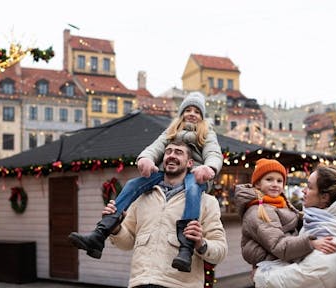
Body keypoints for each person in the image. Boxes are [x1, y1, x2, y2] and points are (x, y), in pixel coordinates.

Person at [68, 92, 223, 272]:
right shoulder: (171, 132)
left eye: (197, 111)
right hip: (167, 173)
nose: (192, 114)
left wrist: (209, 168)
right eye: (188, 110)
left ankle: (186, 247)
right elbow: (155, 147)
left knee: (193, 190)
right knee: (134, 184)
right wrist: (146, 159)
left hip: (196, 175)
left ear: (202, 117)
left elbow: (213, 153)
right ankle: (100, 233)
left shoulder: (207, 134)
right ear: (181, 114)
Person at [103, 140, 227, 287]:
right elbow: (127, 243)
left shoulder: (206, 202)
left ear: (190, 163)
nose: (172, 155)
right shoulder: (142, 197)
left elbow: (220, 251)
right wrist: (116, 229)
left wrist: (201, 243)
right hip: (141, 282)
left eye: (178, 152)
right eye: (168, 151)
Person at [252, 165, 336, 288]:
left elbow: (308, 276)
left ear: (324, 197)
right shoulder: (321, 221)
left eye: (309, 187)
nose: (303, 191)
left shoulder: (331, 232)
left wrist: (262, 277)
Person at [233, 159, 336, 269]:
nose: (275, 184)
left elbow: (294, 219)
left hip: (280, 260)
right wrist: (310, 243)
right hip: (271, 266)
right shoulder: (259, 210)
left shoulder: (279, 202)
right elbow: (278, 245)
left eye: (279, 181)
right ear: (258, 183)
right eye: (269, 179)